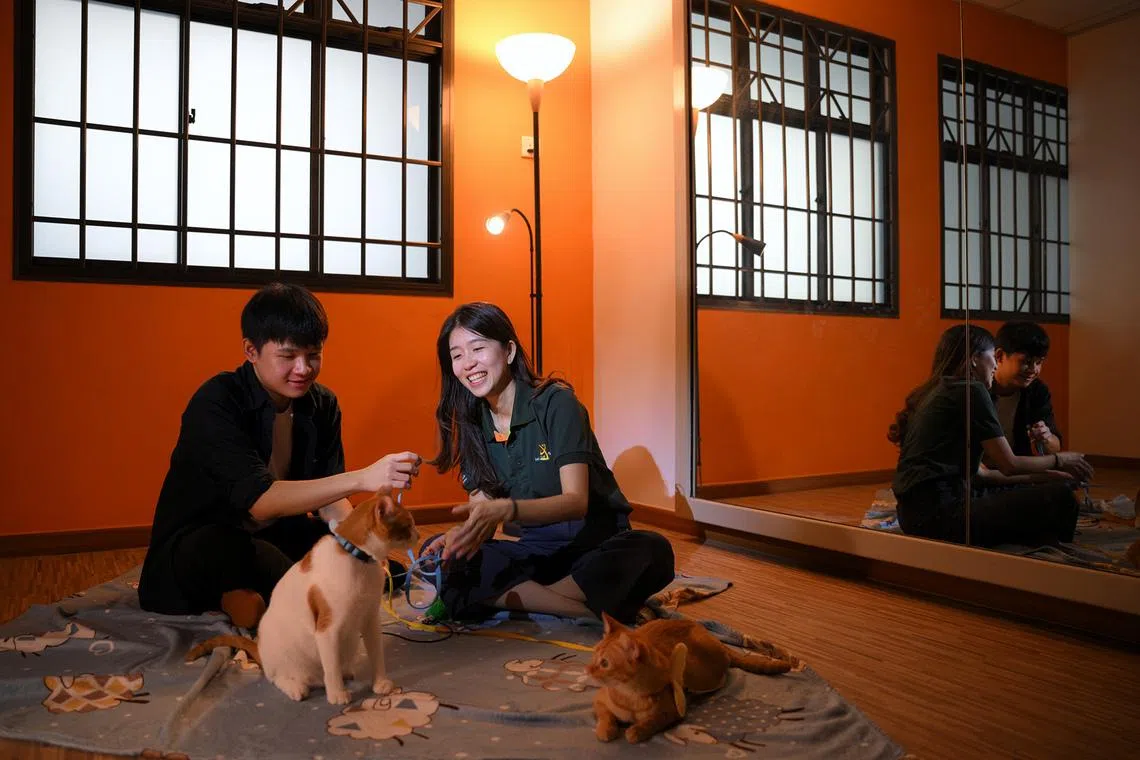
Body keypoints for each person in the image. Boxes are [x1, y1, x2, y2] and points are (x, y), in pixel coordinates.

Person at [138, 283, 421, 628]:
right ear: (251, 350)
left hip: (273, 532)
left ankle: (243, 596)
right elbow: (260, 501)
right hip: (207, 539)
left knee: (385, 570)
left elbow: (330, 501)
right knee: (287, 577)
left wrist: (356, 542)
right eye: (288, 356)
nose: (303, 368)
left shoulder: (322, 404)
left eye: (313, 354)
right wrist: (363, 477)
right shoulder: (216, 402)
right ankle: (236, 596)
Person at [421, 302, 675, 624]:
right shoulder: (473, 422)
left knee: (652, 549)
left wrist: (508, 510)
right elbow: (482, 511)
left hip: (594, 546)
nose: (468, 363)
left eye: (478, 348)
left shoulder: (556, 404)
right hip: (538, 551)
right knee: (436, 555)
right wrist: (461, 536)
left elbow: (575, 502)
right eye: (457, 355)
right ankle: (575, 608)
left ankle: (517, 598)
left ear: (509, 351)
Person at [888, 324, 1094, 547]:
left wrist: (1049, 475)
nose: (995, 365)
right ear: (976, 358)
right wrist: (1062, 460)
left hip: (912, 517)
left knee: (1048, 488)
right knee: (1060, 498)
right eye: (992, 357)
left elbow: (982, 475)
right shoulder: (972, 390)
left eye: (1039, 362)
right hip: (943, 514)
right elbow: (1009, 464)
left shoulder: (937, 389)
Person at [990, 321, 1062, 456]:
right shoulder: (978, 388)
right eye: (1026, 362)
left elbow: (1055, 447)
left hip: (1019, 467)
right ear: (999, 356)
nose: (1033, 370)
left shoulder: (1037, 391)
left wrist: (1046, 437)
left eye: (1039, 362)